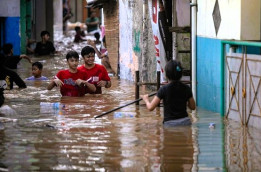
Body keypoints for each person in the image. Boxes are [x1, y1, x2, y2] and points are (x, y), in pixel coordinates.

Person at [141, 60, 196, 126]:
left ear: (167, 75)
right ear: (180, 74)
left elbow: (150, 108)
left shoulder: (163, 89)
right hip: (185, 122)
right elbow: (193, 107)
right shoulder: (187, 88)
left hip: (170, 123)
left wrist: (146, 99)